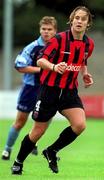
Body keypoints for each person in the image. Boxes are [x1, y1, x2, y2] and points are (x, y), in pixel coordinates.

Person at [11, 6, 94, 175]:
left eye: (83, 19)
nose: (79, 21)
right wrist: (54, 67)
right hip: (49, 91)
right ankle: (18, 162)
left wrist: (85, 74)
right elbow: (41, 61)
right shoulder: (58, 39)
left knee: (80, 125)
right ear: (71, 20)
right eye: (76, 18)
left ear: (88, 23)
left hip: (70, 91)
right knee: (38, 131)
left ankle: (52, 151)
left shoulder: (88, 44)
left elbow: (83, 60)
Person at [1, 16, 57, 160]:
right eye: (43, 29)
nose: (46, 32)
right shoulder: (32, 47)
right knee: (20, 121)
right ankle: (7, 149)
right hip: (31, 89)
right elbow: (19, 66)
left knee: (45, 119)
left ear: (55, 31)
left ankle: (33, 141)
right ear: (40, 30)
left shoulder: (58, 47)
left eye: (49, 29)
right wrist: (42, 69)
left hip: (49, 88)